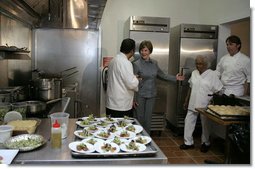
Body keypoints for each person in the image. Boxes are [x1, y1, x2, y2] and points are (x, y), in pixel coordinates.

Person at [132, 40, 184, 134]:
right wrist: (133, 98)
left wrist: (175, 78)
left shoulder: (154, 63)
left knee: (148, 119)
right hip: (140, 95)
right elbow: (133, 82)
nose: (143, 52)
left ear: (150, 51)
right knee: (139, 118)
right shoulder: (136, 64)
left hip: (151, 94)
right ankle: (137, 139)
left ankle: (146, 139)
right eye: (142, 50)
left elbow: (162, 75)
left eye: (146, 50)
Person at [180, 55, 223, 153]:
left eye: (200, 64)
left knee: (206, 124)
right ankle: (188, 142)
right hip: (193, 101)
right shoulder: (194, 73)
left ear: (205, 65)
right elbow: (190, 87)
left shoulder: (212, 74)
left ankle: (205, 143)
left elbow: (219, 90)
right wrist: (186, 100)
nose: (198, 66)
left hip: (205, 103)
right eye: (196, 63)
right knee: (188, 121)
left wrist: (213, 101)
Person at [105, 38, 139, 118]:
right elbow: (131, 84)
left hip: (111, 104)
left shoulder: (113, 60)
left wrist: (132, 77)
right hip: (121, 106)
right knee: (122, 129)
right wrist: (136, 78)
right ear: (132, 51)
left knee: (112, 128)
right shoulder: (126, 63)